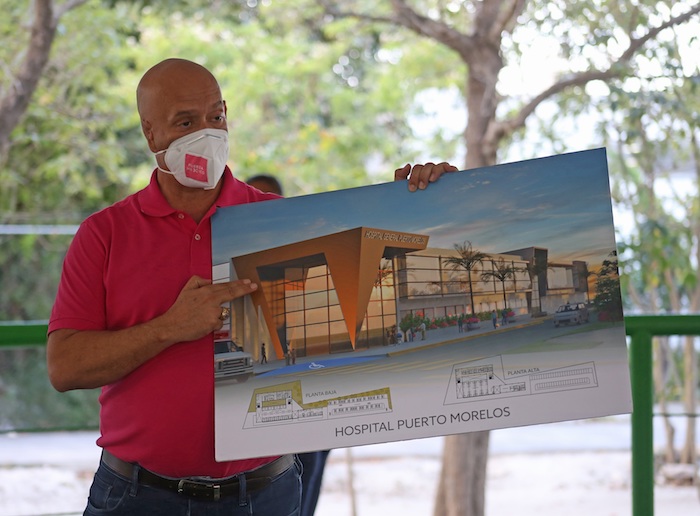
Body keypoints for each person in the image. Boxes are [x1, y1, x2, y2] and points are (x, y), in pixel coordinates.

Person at [46, 57, 457, 516]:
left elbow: (382, 297)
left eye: (215, 116)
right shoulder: (105, 234)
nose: (208, 132)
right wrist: (169, 327)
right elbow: (65, 368)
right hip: (136, 495)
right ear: (151, 134)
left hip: (264, 494)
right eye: (185, 121)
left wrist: (428, 207)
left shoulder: (280, 222)